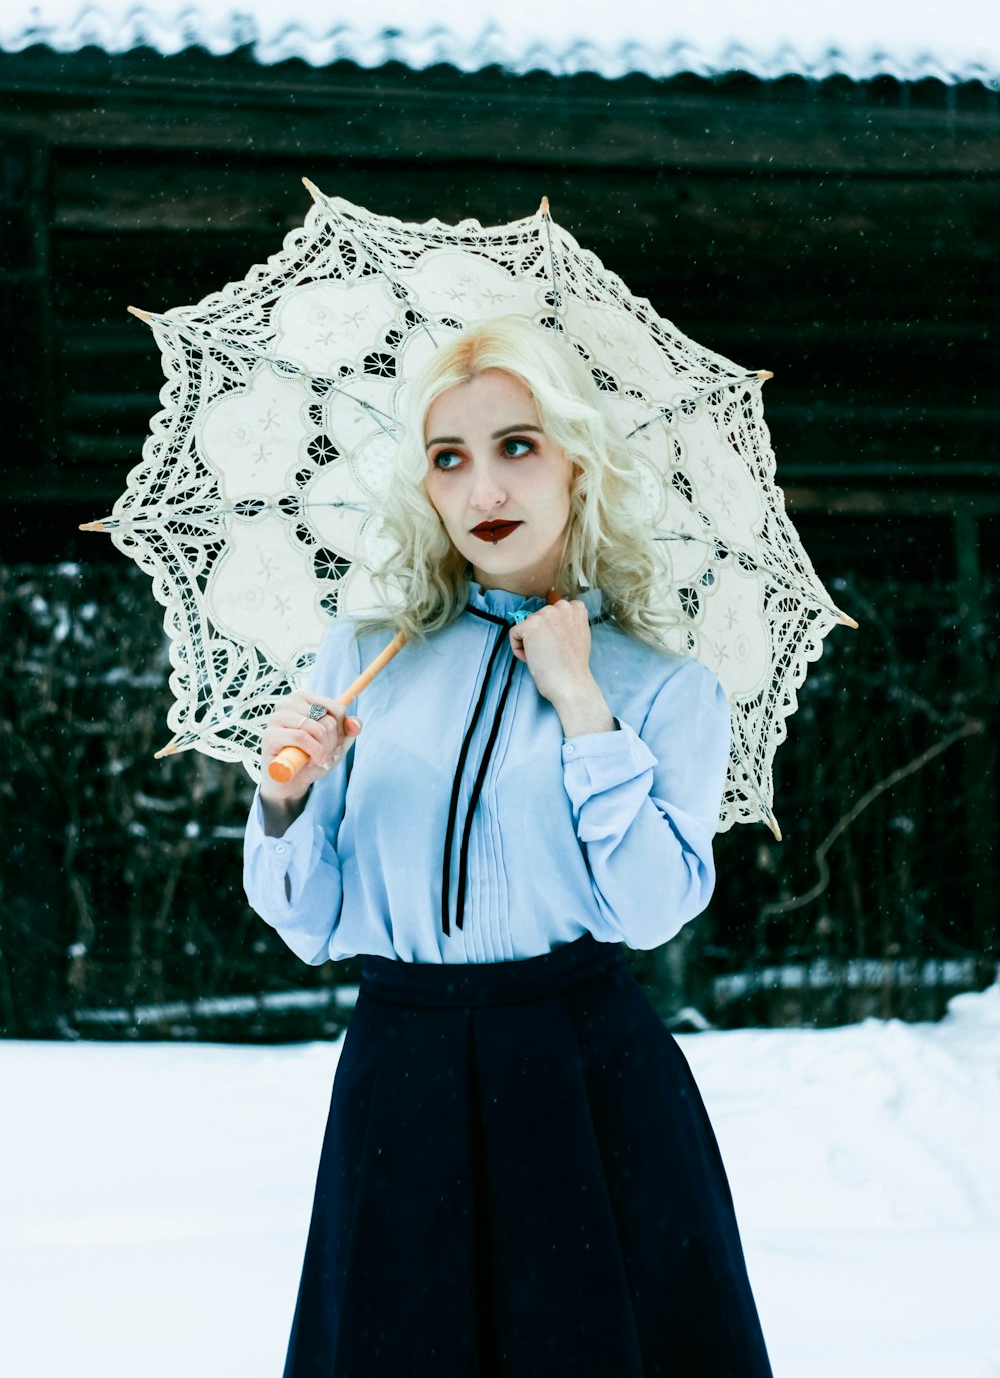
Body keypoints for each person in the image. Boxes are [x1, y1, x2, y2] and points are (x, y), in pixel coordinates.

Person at [242, 316, 773, 1377]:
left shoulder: (667, 686)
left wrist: (579, 698)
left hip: (583, 1072)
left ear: (579, 461)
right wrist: (287, 797)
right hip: (401, 1068)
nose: (484, 490)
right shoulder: (362, 659)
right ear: (425, 487)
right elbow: (308, 923)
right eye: (450, 459)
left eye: (516, 447)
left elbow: (649, 908)